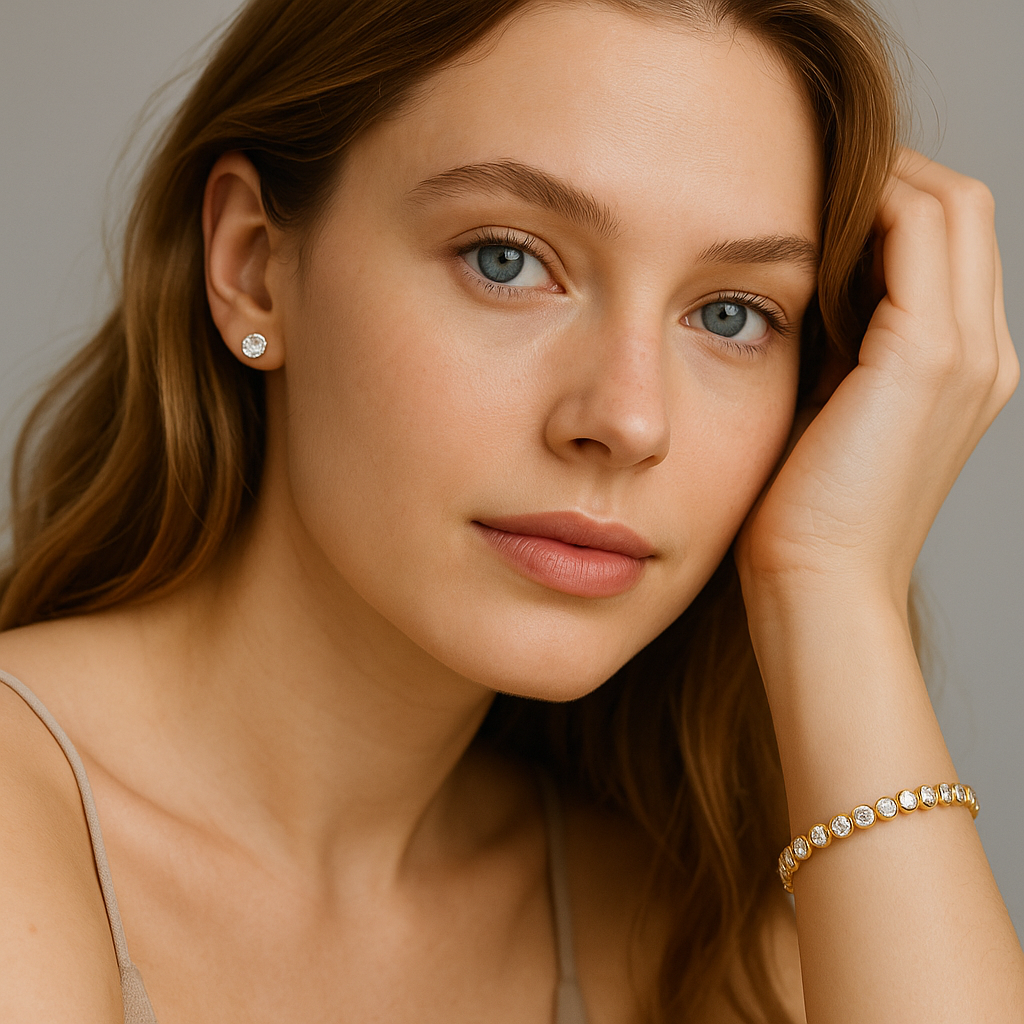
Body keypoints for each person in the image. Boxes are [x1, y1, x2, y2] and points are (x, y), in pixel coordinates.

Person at [0, 0, 1020, 1021]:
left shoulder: (677, 928)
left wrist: (831, 586)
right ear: (254, 266)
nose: (626, 418)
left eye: (729, 315)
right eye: (508, 259)